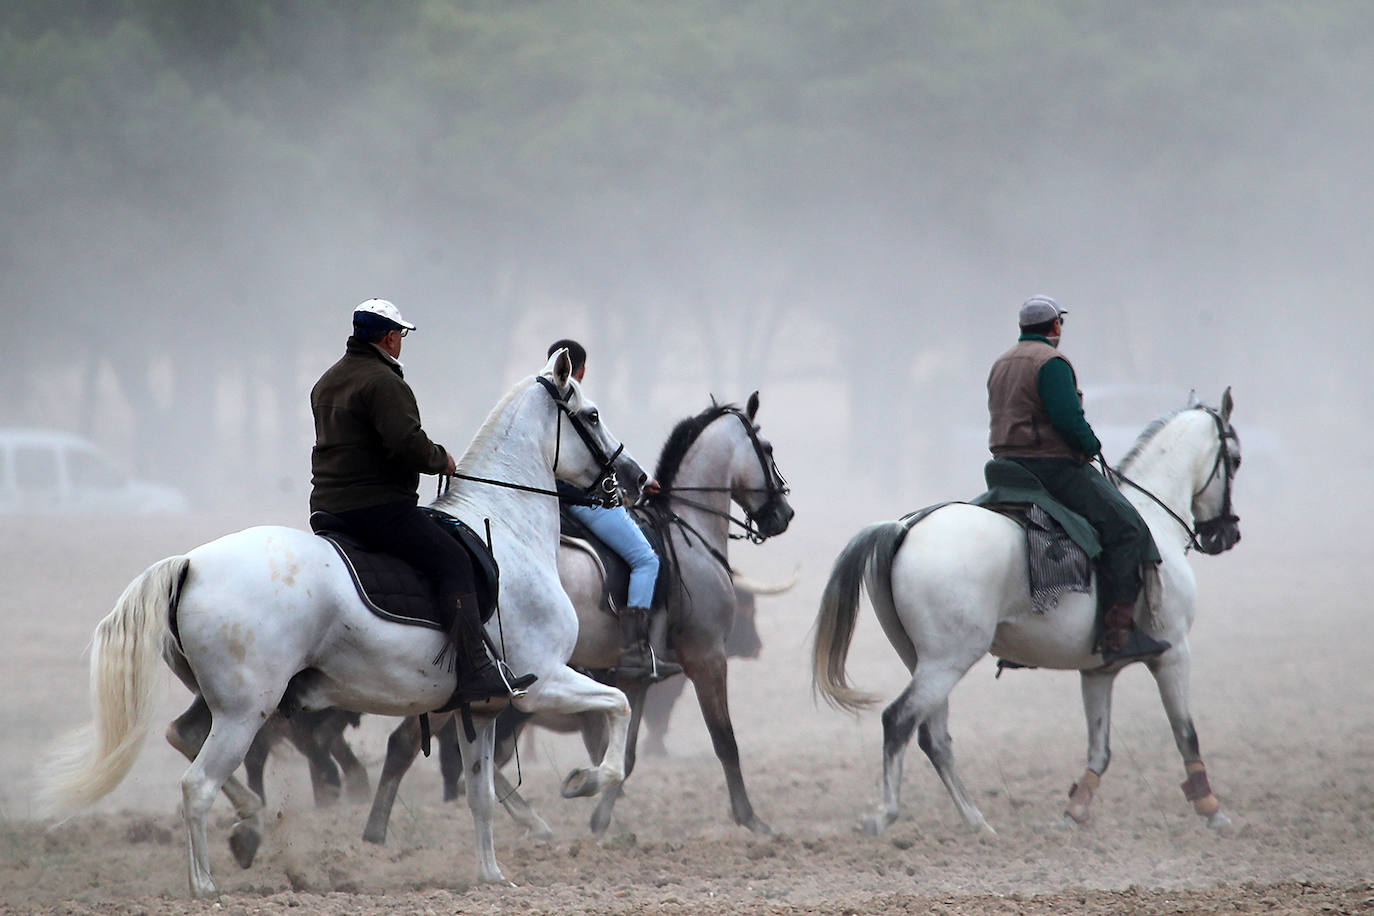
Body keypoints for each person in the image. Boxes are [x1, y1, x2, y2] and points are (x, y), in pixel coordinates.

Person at [311, 298, 535, 703]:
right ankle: (474, 670)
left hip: (328, 507)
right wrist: (440, 459)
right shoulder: (383, 382)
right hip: (377, 509)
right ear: (390, 338)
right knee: (453, 560)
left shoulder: (326, 381)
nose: (401, 343)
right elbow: (404, 443)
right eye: (400, 335)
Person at [986, 296, 1170, 664]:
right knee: (1128, 527)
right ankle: (1119, 632)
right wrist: (1090, 443)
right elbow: (1067, 417)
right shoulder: (1051, 363)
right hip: (1052, 467)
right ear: (1055, 327)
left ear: (1023, 328)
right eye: (1060, 325)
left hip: (1006, 467)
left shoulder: (1001, 362)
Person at [547, 338, 683, 682]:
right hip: (582, 502)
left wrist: (638, 477)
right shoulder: (574, 406)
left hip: (552, 501)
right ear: (580, 371)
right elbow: (604, 455)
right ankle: (635, 651)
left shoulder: (540, 403)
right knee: (646, 559)